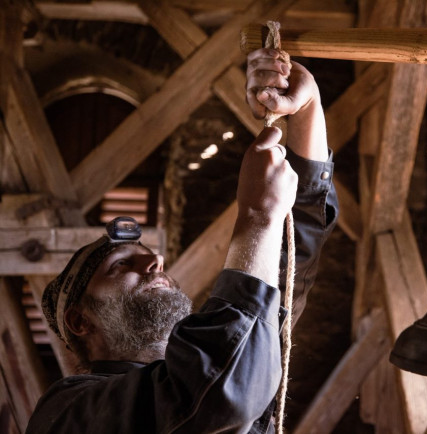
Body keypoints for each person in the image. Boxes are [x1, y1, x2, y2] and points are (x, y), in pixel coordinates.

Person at [26, 48, 339, 434]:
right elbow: (215, 393)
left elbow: (288, 257)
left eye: (147, 256)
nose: (155, 261)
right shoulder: (65, 413)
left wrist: (305, 107)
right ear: (79, 320)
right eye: (121, 265)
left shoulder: (211, 359)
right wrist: (257, 218)